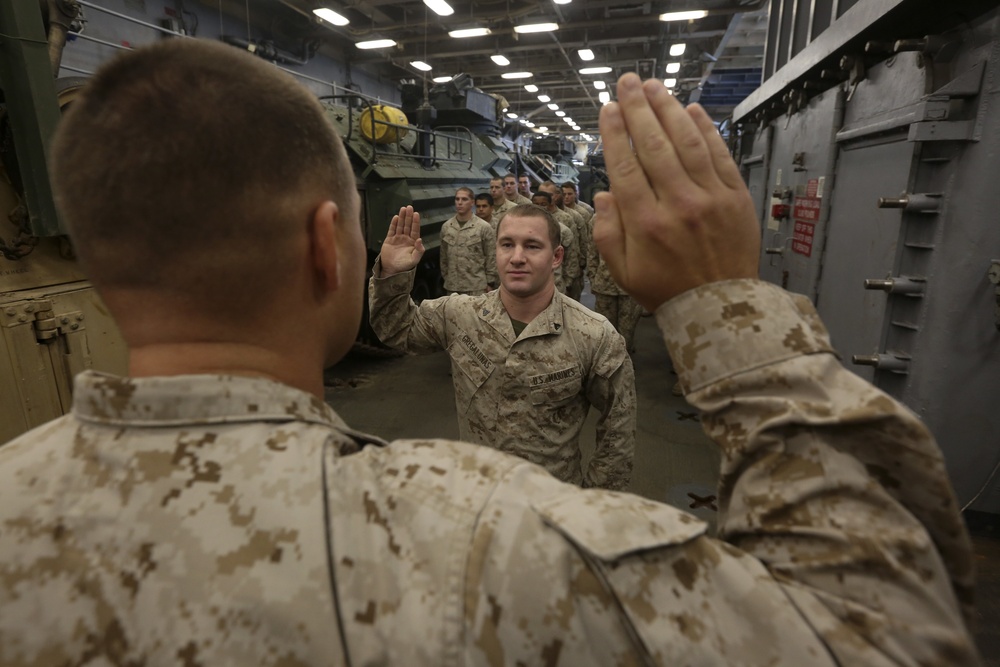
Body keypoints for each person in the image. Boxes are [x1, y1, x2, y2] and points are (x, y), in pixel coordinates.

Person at [0, 37, 979, 667]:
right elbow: (887, 637)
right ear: (322, 243)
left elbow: (612, 421)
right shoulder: (487, 539)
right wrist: (728, 308)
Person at [370, 202, 635, 489]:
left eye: (532, 246)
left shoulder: (594, 336)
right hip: (474, 496)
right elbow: (396, 329)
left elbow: (617, 432)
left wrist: (591, 503)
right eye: (507, 244)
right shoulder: (461, 315)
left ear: (556, 256)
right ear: (495, 250)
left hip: (547, 507)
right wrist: (392, 275)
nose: (517, 257)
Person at [439, 186, 497, 295]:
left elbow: (491, 256)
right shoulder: (447, 227)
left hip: (476, 287)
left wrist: (490, 283)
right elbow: (443, 257)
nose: (459, 203)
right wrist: (447, 278)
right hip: (452, 287)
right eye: (457, 199)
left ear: (472, 202)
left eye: (464, 199)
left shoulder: (483, 227)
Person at [539, 180, 588, 301]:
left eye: (549, 194)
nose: (544, 198)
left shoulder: (567, 218)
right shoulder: (531, 218)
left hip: (563, 277)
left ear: (556, 195)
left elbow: (575, 250)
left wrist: (569, 280)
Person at [530, 191, 580, 297]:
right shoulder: (523, 230)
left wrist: (568, 283)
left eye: (543, 204)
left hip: (556, 285)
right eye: (536, 204)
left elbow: (571, 259)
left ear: (550, 206)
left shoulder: (562, 231)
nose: (539, 207)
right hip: (530, 285)